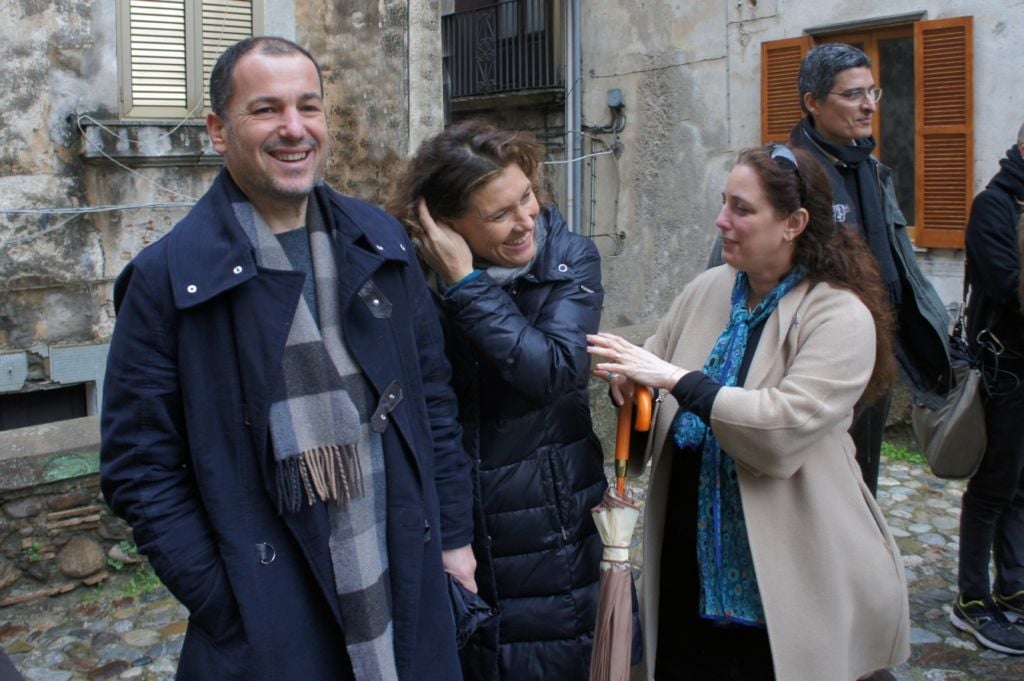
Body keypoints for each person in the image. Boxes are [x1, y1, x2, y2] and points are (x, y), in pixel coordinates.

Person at [99, 37, 476, 681]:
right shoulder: (168, 280)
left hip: (405, 576)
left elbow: (432, 402)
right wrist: (227, 602)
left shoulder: (381, 244)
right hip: (269, 614)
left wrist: (453, 540)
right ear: (220, 130)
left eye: (309, 107)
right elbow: (141, 471)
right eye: (266, 109)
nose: (294, 129)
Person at [588, 145, 910, 680]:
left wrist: (676, 379)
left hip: (790, 559)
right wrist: (631, 388)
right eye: (723, 203)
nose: (721, 220)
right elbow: (653, 382)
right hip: (687, 550)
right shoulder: (705, 290)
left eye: (742, 208)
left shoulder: (838, 314)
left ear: (794, 223)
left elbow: (781, 432)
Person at [386, 120, 607, 680]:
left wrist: (465, 283)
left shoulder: (569, 259)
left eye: (526, 196)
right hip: (452, 516)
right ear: (445, 223)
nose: (526, 220)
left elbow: (554, 371)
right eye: (499, 214)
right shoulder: (410, 277)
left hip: (547, 522)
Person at [710, 43, 951, 496]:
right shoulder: (784, 176)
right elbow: (731, 263)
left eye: (873, 92)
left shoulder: (874, 172)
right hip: (804, 358)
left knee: (860, 488)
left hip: (872, 354)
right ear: (813, 103)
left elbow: (900, 268)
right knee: (810, 492)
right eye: (852, 95)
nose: (868, 106)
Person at [950, 122, 1024, 655]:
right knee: (993, 486)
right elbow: (1006, 287)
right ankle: (973, 599)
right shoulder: (995, 205)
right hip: (1006, 369)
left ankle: (1014, 583)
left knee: (1023, 484)